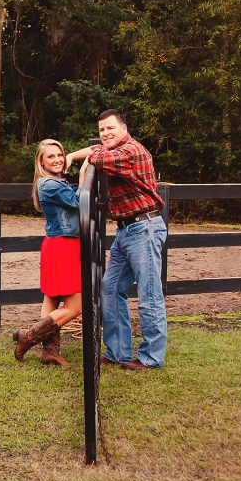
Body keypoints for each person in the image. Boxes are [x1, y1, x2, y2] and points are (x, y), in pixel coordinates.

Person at [66, 109, 167, 370]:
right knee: (109, 288)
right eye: (101, 130)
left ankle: (151, 357)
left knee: (150, 294)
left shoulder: (131, 152)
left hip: (143, 228)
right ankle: (118, 351)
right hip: (126, 230)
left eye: (110, 128)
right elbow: (97, 151)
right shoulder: (114, 150)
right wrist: (72, 156)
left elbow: (98, 155)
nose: (105, 134)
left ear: (124, 128)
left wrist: (86, 155)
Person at [14, 139, 89, 365]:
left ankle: (50, 352)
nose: (57, 160)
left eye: (59, 155)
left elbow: (96, 149)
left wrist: (74, 156)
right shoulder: (49, 185)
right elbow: (79, 201)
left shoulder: (56, 181)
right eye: (51, 157)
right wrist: (84, 170)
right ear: (41, 162)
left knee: (52, 298)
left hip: (60, 244)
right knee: (75, 306)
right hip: (62, 246)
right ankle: (28, 337)